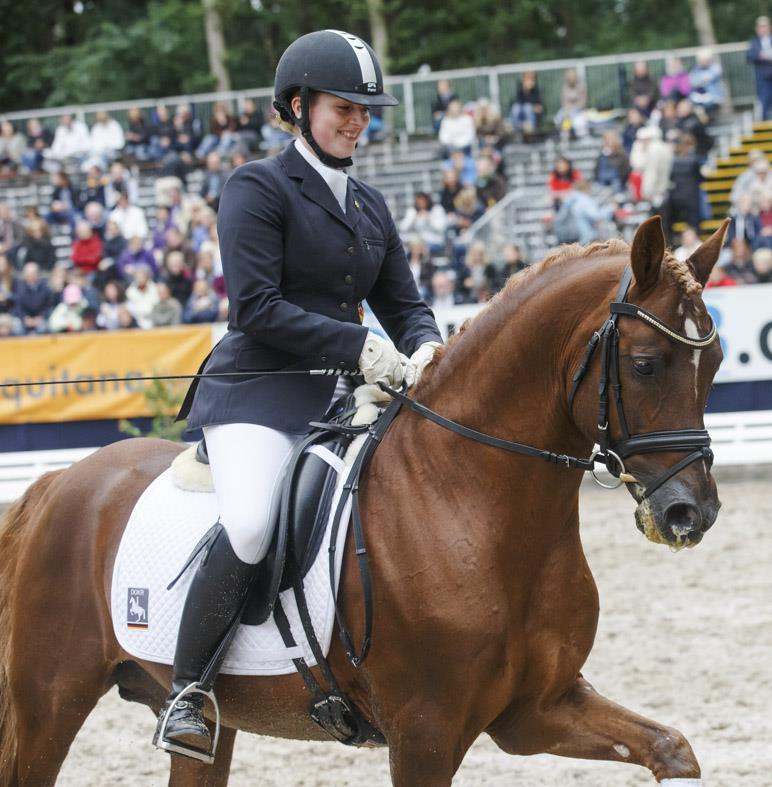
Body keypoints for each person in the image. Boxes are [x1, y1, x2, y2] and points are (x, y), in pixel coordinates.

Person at [157, 30, 444, 761]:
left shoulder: (370, 204)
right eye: (343, 107)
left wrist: (426, 347)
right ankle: (188, 692)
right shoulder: (256, 187)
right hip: (258, 395)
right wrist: (358, 346)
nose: (357, 121)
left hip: (340, 400)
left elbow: (405, 305)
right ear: (297, 106)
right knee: (252, 523)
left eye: (364, 110)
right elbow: (255, 307)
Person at [747, 16, 772, 121]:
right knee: (763, 101)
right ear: (757, 29)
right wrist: (759, 56)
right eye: (761, 27)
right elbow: (749, 57)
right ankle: (763, 124)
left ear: (770, 27)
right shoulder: (754, 42)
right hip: (762, 77)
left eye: (765, 26)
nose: (763, 29)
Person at [689, 49, 724, 117]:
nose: (703, 61)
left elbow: (710, 77)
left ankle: (702, 116)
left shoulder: (715, 67)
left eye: (705, 59)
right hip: (699, 97)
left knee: (705, 107)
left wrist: (700, 79)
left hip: (713, 97)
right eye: (701, 60)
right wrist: (702, 79)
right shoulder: (696, 69)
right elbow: (693, 82)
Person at [510, 71, 544, 135]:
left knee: (528, 107)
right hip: (521, 114)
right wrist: (525, 90)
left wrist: (534, 107)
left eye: (532, 81)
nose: (530, 83)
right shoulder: (519, 89)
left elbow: (539, 106)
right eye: (528, 80)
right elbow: (517, 101)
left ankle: (530, 128)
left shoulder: (537, 90)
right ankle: (515, 127)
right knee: (516, 108)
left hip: (531, 115)